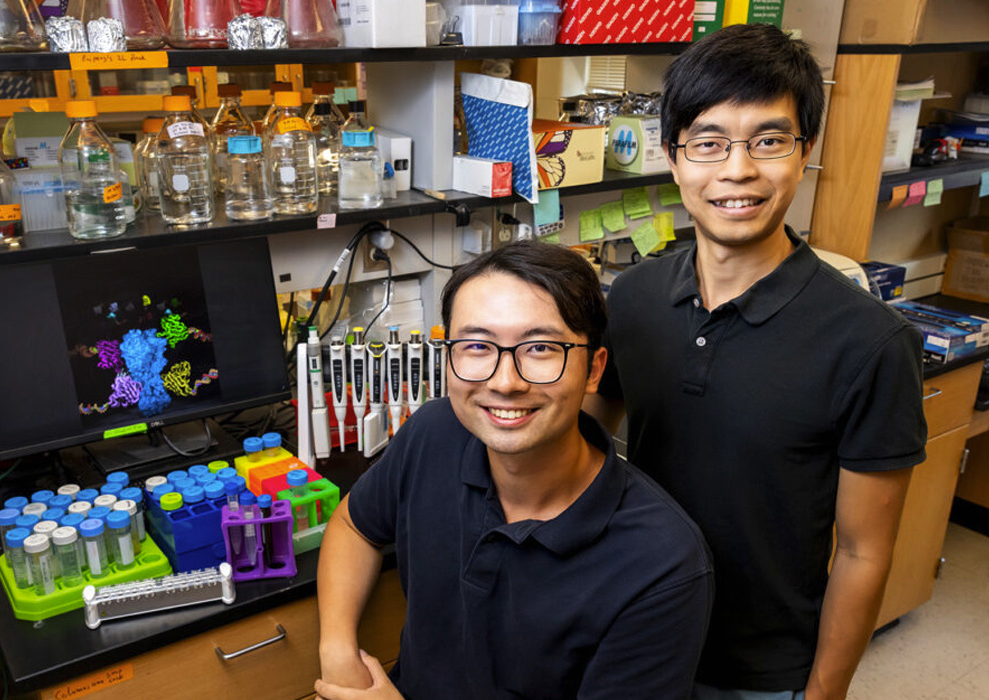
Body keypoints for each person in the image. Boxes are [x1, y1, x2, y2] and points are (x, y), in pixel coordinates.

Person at [586, 23, 928, 700]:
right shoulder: (633, 298)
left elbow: (864, 553)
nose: (737, 169)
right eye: (709, 142)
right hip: (633, 641)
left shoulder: (871, 342)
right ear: (673, 156)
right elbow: (580, 447)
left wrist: (823, 694)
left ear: (805, 152)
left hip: (766, 676)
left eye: (768, 141)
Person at [315, 241, 714, 700]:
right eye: (478, 346)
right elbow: (353, 524)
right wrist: (338, 649)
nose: (505, 382)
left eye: (541, 347)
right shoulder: (435, 433)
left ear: (593, 370)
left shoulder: (662, 565)